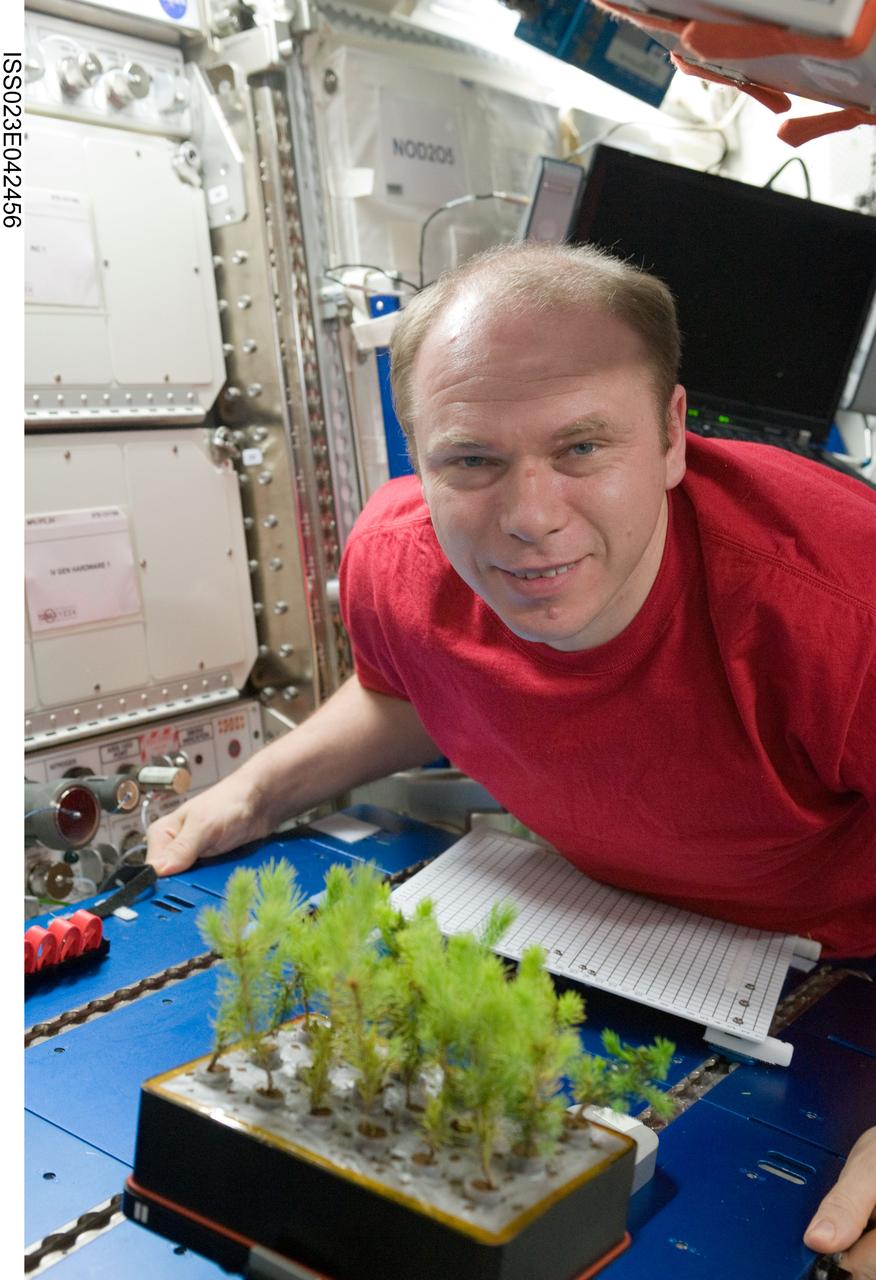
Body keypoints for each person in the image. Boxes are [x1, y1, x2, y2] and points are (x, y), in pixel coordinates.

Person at [147, 241, 876, 1271]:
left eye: (582, 447)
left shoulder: (842, 605)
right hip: (608, 948)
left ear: (673, 438)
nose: (530, 519)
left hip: (837, 982)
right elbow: (408, 690)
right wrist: (253, 791)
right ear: (418, 455)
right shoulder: (398, 559)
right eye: (473, 460)